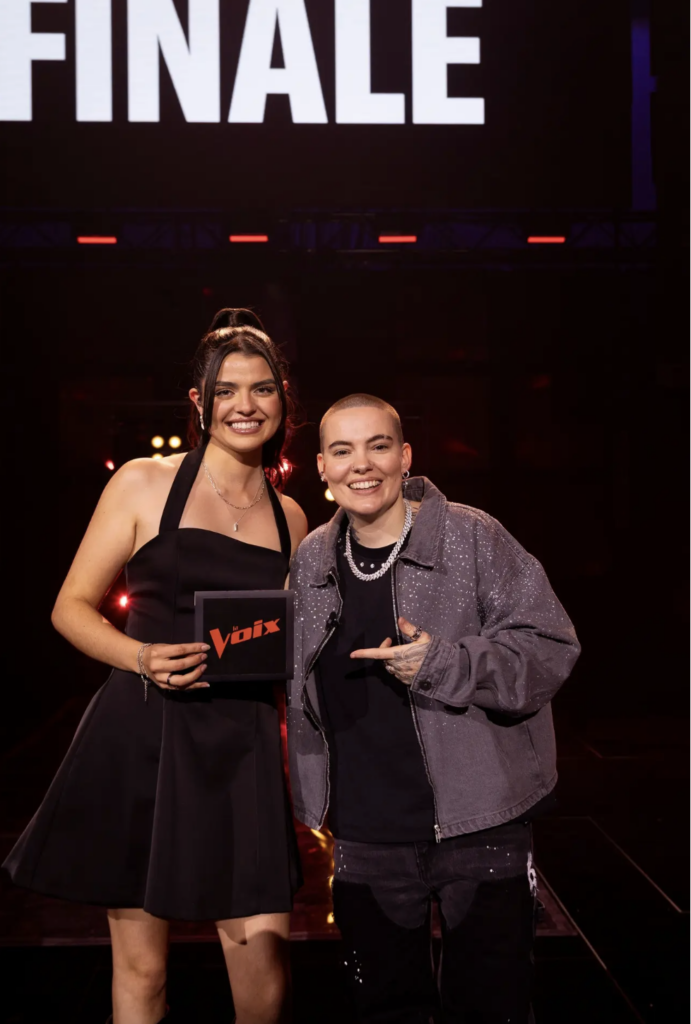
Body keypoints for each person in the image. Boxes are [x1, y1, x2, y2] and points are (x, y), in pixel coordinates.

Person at [4, 309, 308, 1024]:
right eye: (227, 390)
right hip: (143, 737)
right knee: (141, 970)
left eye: (262, 389)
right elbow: (70, 607)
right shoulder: (144, 483)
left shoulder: (292, 517)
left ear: (282, 400)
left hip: (242, 745)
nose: (245, 405)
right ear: (199, 403)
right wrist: (141, 655)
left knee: (261, 956)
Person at [287, 394, 581, 1024]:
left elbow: (552, 648)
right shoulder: (310, 559)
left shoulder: (474, 537)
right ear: (321, 467)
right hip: (365, 833)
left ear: (405, 456)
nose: (361, 465)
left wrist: (445, 664)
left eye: (378, 445)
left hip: (481, 825)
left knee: (493, 1007)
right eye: (342, 450)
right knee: (387, 1008)